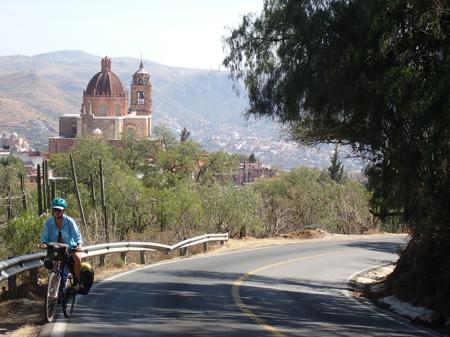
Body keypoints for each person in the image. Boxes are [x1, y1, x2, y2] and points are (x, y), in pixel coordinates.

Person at [40, 198, 83, 288]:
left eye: (59, 210)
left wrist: (79, 245)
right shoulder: (48, 223)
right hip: (55, 248)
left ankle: (76, 280)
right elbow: (45, 237)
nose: (57, 211)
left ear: (63, 210)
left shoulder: (70, 221)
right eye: (55, 209)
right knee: (49, 263)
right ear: (52, 210)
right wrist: (44, 244)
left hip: (69, 247)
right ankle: (54, 284)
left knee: (78, 258)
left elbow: (77, 236)